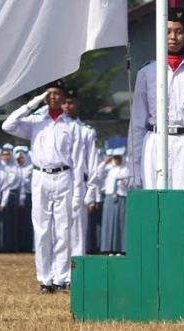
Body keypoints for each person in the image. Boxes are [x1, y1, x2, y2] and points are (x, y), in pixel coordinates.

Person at [128, 7, 184, 256]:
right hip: (155, 142)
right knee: (155, 208)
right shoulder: (147, 73)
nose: (173, 37)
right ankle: (154, 265)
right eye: (168, 31)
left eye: (179, 31)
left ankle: (183, 265)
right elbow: (137, 122)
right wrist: (134, 168)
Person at [2, 80, 84, 293]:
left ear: (64, 98)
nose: (53, 97)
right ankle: (44, 279)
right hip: (40, 177)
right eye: (49, 94)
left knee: (63, 230)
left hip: (64, 176)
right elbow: (8, 124)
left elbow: (78, 161)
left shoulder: (72, 126)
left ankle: (61, 277)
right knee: (42, 230)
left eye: (57, 93)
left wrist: (78, 193)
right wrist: (35, 102)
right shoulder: (35, 121)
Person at [63, 89, 99, 257]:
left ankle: (77, 270)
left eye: (70, 103)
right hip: (58, 180)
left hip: (79, 183)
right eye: (64, 102)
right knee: (59, 228)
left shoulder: (86, 131)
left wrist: (92, 192)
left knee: (77, 229)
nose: (66, 106)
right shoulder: (51, 127)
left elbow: (93, 164)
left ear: (77, 105)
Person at [92, 147, 128, 254]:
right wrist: (105, 162)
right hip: (109, 198)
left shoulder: (126, 169)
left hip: (121, 197)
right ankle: (108, 248)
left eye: (118, 158)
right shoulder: (109, 169)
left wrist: (122, 185)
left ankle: (120, 249)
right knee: (109, 223)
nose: (117, 160)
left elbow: (127, 182)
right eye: (115, 158)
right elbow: (97, 173)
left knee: (120, 224)